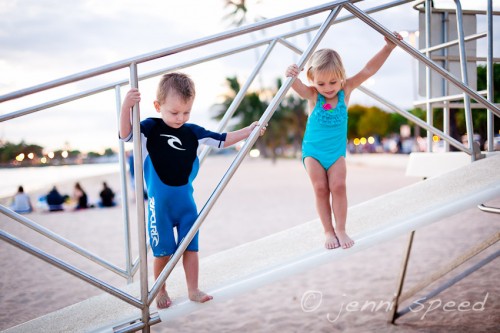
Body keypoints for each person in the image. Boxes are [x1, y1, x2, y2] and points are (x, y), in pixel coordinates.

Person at [119, 72, 266, 309]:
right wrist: (126, 106)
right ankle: (161, 288)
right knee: (162, 252)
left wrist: (248, 130)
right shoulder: (149, 129)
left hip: (186, 204)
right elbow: (125, 133)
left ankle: (192, 289)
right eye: (174, 112)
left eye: (186, 112)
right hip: (160, 207)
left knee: (191, 248)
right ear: (158, 106)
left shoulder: (192, 132)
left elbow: (222, 139)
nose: (180, 118)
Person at [285, 32, 402, 250]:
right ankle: (328, 231)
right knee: (320, 188)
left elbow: (368, 69)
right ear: (312, 79)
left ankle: (340, 228)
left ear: (341, 76)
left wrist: (388, 47)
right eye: (321, 83)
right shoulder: (313, 95)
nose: (328, 87)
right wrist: (292, 74)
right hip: (313, 151)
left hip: (336, 151)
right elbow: (297, 86)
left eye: (333, 81)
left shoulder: (345, 90)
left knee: (338, 186)